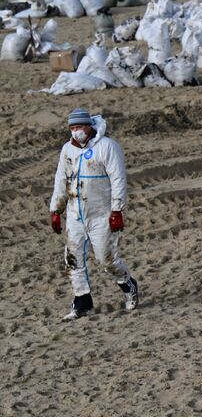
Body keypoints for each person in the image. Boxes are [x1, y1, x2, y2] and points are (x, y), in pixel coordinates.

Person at [49, 109, 138, 321]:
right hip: (75, 214)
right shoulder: (67, 150)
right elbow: (61, 180)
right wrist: (56, 209)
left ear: (89, 126)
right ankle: (82, 303)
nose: (76, 131)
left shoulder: (107, 147)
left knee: (105, 259)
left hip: (101, 214)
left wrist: (117, 210)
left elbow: (118, 179)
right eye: (72, 128)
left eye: (79, 127)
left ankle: (127, 283)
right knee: (73, 259)